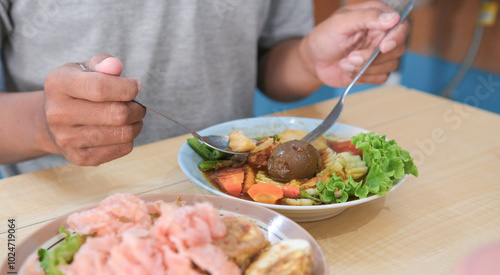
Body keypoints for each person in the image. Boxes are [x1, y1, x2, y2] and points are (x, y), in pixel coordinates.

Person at [0, 0, 409, 177]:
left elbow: (270, 63)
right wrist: (42, 123)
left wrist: (306, 59)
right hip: (56, 208)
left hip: (229, 194)